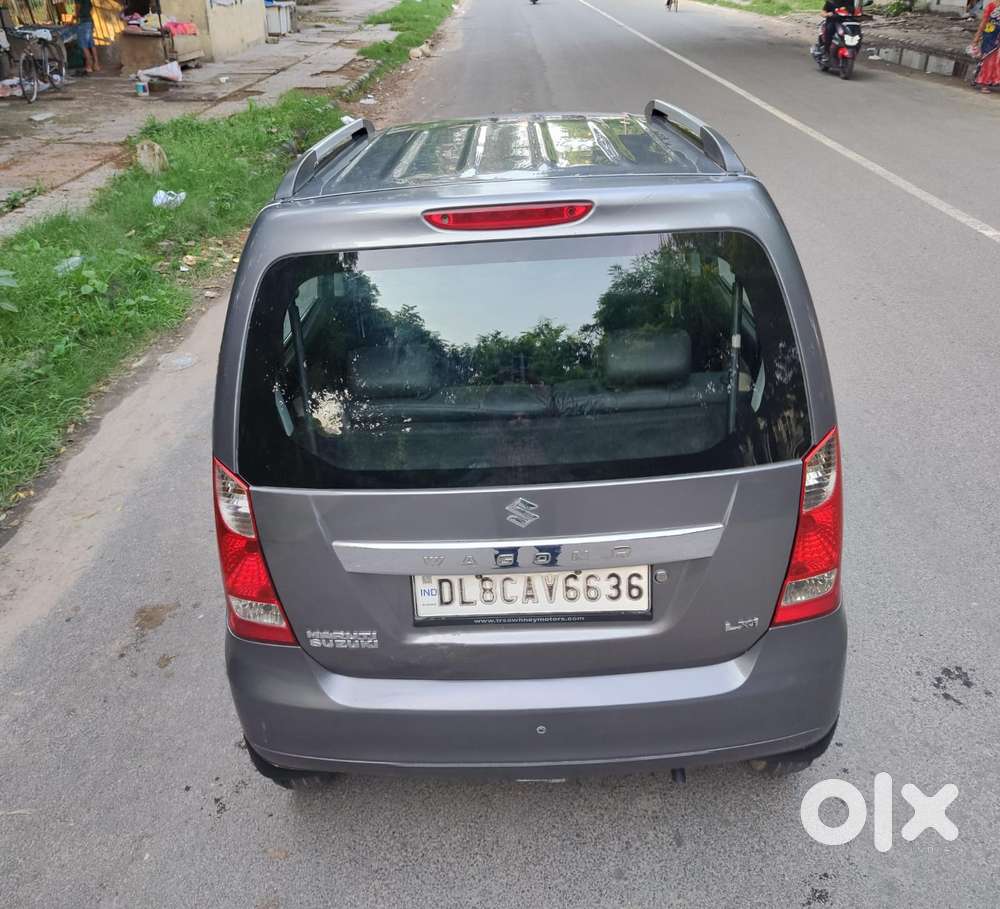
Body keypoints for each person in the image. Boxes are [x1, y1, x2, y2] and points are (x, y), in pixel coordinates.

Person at [973, 0, 1000, 92]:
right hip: (990, 35)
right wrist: (976, 38)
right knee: (989, 59)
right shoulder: (991, 6)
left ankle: (995, 80)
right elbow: (984, 22)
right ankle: (984, 83)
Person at [76, 0, 99, 74]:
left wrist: (75, 17)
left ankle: (89, 65)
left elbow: (78, 7)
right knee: (91, 43)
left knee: (83, 45)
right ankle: (96, 64)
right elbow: (91, 8)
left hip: (83, 22)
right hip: (89, 21)